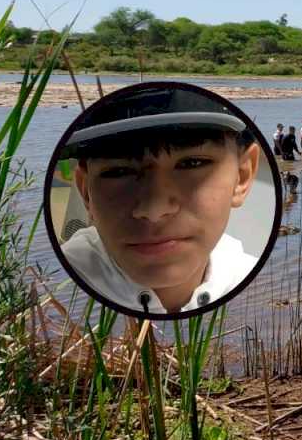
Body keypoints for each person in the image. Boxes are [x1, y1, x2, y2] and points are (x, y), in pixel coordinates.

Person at [59, 85, 260, 315]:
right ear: (86, 192)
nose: (153, 210)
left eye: (191, 163)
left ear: (242, 177)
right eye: (119, 171)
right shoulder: (56, 287)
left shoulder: (250, 277)